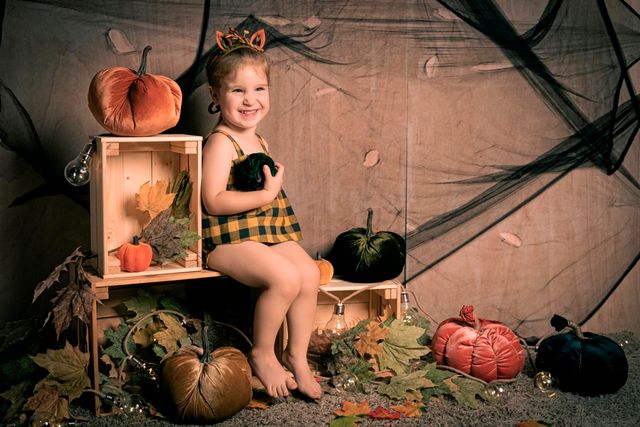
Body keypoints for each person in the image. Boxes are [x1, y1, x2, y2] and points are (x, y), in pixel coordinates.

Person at [201, 28, 322, 400]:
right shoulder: (222, 142)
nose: (250, 99)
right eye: (238, 90)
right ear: (215, 96)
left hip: (260, 232)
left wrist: (267, 191)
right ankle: (262, 352)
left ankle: (296, 355)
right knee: (284, 278)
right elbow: (213, 202)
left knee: (308, 273)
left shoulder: (258, 139)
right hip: (224, 239)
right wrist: (267, 194)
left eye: (259, 89)